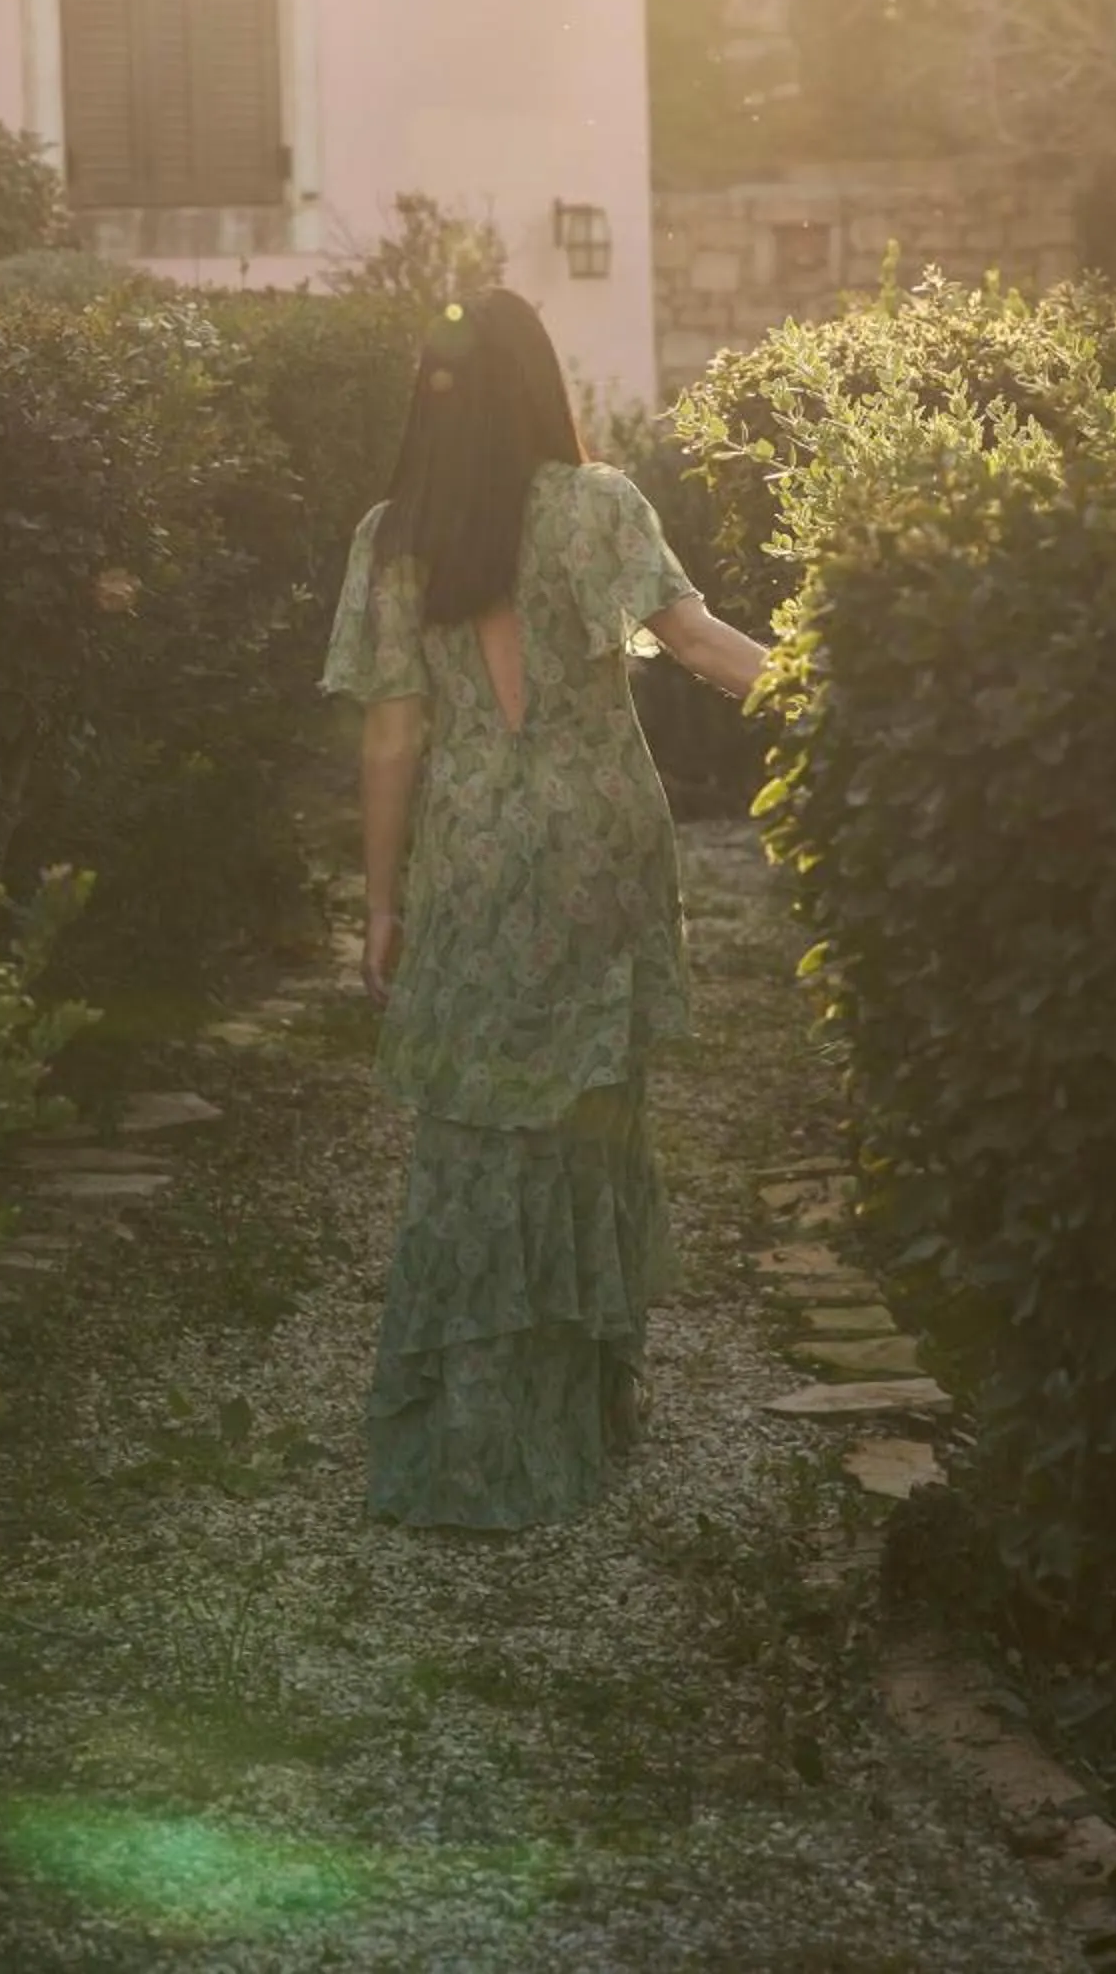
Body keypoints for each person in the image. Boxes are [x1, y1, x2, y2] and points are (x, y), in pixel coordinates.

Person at [322, 288, 769, 1532]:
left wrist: (378, 904)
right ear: (542, 387)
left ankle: (471, 1433)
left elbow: (390, 738)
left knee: (470, 1130)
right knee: (587, 1120)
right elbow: (697, 644)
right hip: (596, 848)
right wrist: (840, 693)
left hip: (471, 849)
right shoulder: (596, 506)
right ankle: (576, 1417)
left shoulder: (392, 536)